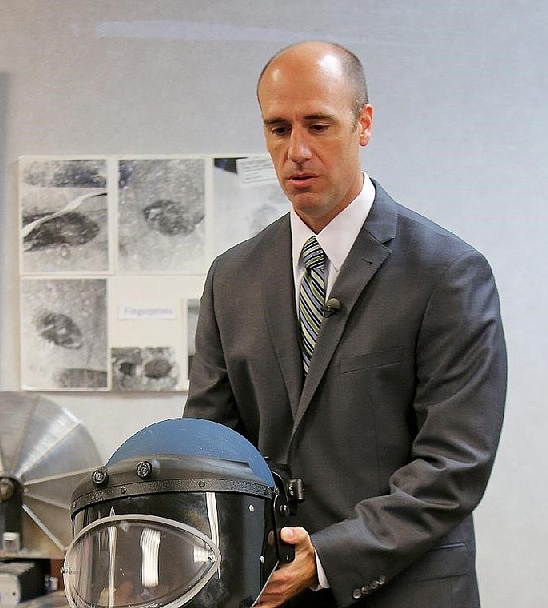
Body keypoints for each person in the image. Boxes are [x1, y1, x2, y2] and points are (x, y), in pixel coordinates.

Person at [183, 41, 506, 608]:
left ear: (364, 125)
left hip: (406, 589)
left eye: (318, 125)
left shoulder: (449, 274)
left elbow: (454, 465)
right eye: (278, 129)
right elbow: (212, 446)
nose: (297, 151)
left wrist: (327, 556)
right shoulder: (230, 278)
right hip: (269, 592)